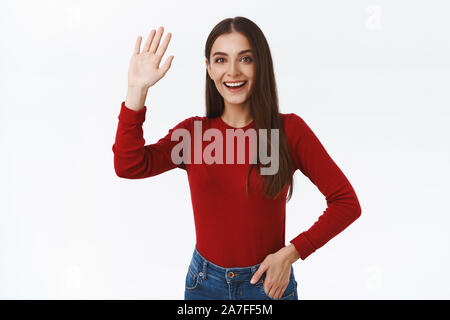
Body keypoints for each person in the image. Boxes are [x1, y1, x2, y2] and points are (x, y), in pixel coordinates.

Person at [112, 17, 362, 300]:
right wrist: (137, 90)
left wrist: (291, 253)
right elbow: (129, 165)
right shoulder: (194, 135)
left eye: (245, 58)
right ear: (208, 68)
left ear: (261, 65)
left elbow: (346, 203)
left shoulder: (288, 131)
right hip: (204, 286)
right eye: (220, 60)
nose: (232, 71)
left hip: (269, 285)